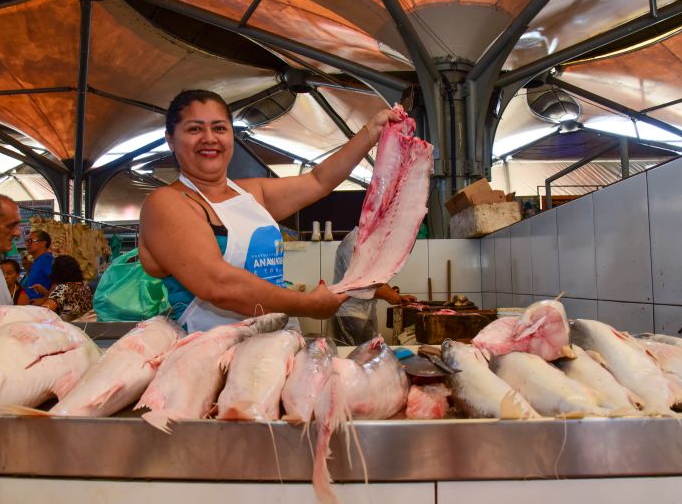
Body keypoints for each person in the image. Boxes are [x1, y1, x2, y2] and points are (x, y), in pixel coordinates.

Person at [139, 89, 400, 333]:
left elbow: (319, 181)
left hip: (276, 342)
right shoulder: (166, 203)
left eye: (219, 128)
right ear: (170, 140)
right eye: (195, 129)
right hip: (213, 360)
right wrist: (307, 304)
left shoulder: (252, 194)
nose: (209, 138)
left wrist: (371, 131)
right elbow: (219, 285)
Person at [329, 227, 417, 345]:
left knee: (366, 358)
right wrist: (391, 296)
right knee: (353, 359)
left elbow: (375, 278)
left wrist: (396, 296)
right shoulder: (355, 243)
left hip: (363, 314)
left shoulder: (368, 241)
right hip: (349, 316)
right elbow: (364, 282)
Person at [40, 255, 92, 321]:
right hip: (82, 328)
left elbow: (46, 310)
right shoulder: (85, 287)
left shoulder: (64, 288)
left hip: (66, 328)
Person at [22, 230, 54, 303]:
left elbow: (57, 283)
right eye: (26, 241)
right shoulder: (37, 261)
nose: (27, 244)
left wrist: (45, 299)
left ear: (43, 243)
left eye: (30, 241)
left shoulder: (47, 259)